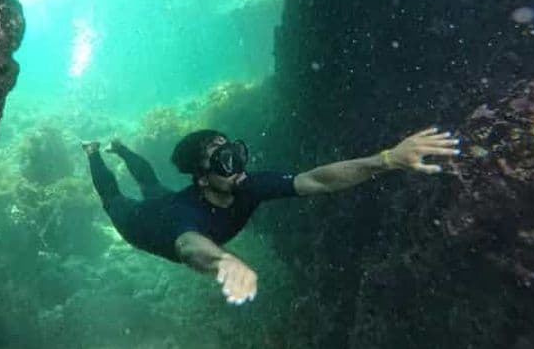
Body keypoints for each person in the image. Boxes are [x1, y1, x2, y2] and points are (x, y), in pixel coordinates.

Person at [82, 127, 459, 305]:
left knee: (151, 182)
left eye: (236, 153)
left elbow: (317, 180)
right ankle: (94, 153)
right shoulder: (187, 213)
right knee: (115, 196)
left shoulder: (245, 185)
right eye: (224, 161)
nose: (237, 166)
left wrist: (388, 158)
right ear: (202, 177)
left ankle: (121, 147)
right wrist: (224, 262)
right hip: (141, 224)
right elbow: (188, 245)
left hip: (163, 202)